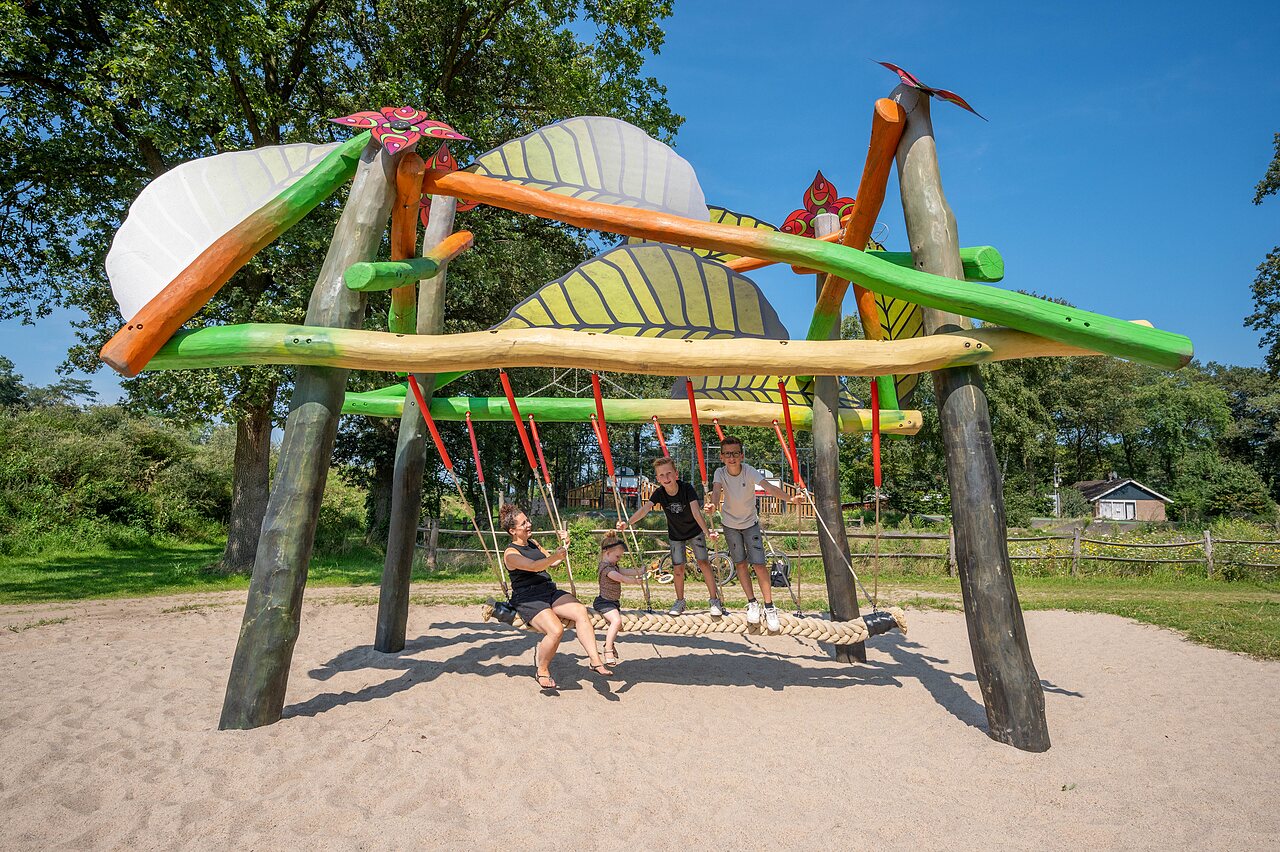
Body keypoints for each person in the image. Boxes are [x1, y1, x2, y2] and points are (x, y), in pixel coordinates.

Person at [500, 504, 612, 689]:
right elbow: (535, 566)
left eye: (527, 520)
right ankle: (542, 670)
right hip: (528, 597)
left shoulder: (533, 543)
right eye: (523, 523)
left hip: (548, 590)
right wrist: (554, 557)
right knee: (556, 630)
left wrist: (564, 547)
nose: (529, 524)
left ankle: (595, 660)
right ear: (512, 530)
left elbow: (553, 563)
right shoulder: (510, 554)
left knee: (580, 611)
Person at [706, 436, 804, 632]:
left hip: (750, 523)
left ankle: (769, 606)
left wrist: (790, 499)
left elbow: (769, 488)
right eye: (727, 454)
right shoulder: (720, 473)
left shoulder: (749, 471)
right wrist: (713, 505)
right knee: (740, 563)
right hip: (730, 524)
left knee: (759, 564)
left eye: (735, 453)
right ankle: (752, 603)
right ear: (721, 457)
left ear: (741, 455)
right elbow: (716, 492)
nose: (731, 457)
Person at [617, 456, 724, 616]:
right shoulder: (659, 493)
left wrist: (707, 532)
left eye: (668, 474)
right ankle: (680, 601)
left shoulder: (687, 488)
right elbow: (645, 510)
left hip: (695, 531)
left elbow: (696, 512)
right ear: (658, 478)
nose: (666, 478)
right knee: (678, 568)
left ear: (676, 474)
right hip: (676, 534)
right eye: (661, 475)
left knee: (703, 563)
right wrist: (628, 523)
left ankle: (714, 600)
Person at [594, 534, 644, 666]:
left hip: (613, 603)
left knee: (616, 625)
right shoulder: (606, 568)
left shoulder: (613, 565)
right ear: (607, 552)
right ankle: (608, 649)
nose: (619, 559)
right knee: (616, 621)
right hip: (604, 602)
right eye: (617, 556)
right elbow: (620, 577)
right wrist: (634, 581)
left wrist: (639, 570)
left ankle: (609, 643)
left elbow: (625, 571)